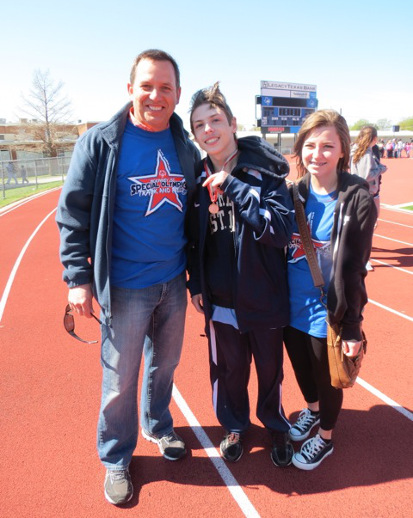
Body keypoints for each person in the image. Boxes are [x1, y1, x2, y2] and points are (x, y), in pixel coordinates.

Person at [56, 49, 200, 506]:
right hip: (125, 287)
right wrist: (77, 278)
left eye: (165, 88)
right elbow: (73, 214)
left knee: (166, 365)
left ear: (177, 95)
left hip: (174, 281)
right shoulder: (101, 142)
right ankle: (116, 457)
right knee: (119, 378)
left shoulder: (184, 145)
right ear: (130, 89)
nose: (155, 96)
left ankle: (157, 425)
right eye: (147, 86)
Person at [187, 83, 294, 467]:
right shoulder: (194, 180)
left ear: (233, 124)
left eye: (215, 120)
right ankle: (234, 425)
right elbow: (193, 240)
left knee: (269, 370)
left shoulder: (265, 172)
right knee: (229, 371)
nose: (209, 130)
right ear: (195, 134)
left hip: (264, 297)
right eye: (199, 125)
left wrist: (232, 186)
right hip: (219, 302)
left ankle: (276, 426)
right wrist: (196, 284)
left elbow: (281, 231)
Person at [284, 110, 377, 471]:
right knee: (302, 371)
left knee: (328, 378)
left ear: (342, 150)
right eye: (309, 145)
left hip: (327, 310)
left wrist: (352, 326)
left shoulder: (357, 198)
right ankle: (311, 411)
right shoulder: (292, 193)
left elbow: (354, 269)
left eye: (327, 146)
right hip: (287, 306)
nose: (317, 154)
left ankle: (325, 438)